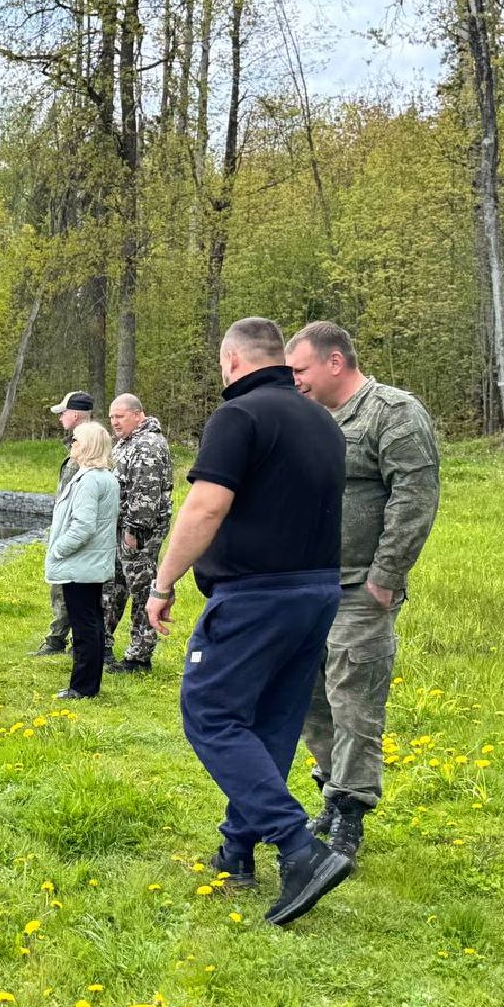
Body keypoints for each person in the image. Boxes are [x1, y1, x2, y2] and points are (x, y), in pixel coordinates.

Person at [146, 318, 350, 927]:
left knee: (210, 712)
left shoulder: (240, 417)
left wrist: (163, 583)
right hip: (316, 590)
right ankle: (237, 853)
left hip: (255, 594)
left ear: (231, 360)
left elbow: (207, 503)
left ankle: (299, 849)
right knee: (272, 723)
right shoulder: (321, 421)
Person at [286, 321, 440, 863]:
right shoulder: (308, 417)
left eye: (300, 369)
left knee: (354, 701)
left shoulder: (391, 413)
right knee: (311, 699)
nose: (294, 380)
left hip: (358, 588)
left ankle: (350, 814)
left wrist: (385, 576)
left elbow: (415, 496)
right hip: (307, 587)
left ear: (334, 361)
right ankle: (329, 790)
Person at [43, 421, 120, 700]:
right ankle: (88, 684)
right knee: (93, 622)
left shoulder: (89, 480)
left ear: (87, 446)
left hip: (80, 565)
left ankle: (82, 687)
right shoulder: (104, 477)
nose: (71, 445)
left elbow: (83, 527)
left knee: (85, 626)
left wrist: (58, 550)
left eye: (75, 440)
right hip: (90, 564)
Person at [102, 394, 173, 673]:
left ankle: (138, 657)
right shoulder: (126, 442)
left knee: (142, 591)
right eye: (111, 417)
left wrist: (134, 531)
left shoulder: (148, 444)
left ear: (138, 415)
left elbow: (145, 496)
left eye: (120, 416)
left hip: (138, 534)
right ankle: (102, 644)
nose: (115, 422)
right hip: (120, 530)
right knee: (113, 586)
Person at [31, 390, 94, 657]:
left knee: (66, 585)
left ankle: (60, 639)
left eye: (64, 413)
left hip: (76, 530)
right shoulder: (78, 444)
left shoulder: (87, 448)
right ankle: (62, 638)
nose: (60, 419)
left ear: (76, 415)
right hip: (68, 527)